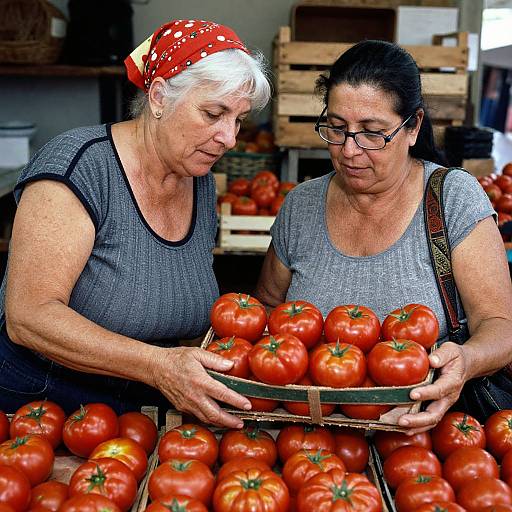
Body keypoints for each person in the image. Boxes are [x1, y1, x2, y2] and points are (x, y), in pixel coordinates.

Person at [0, 19, 271, 428]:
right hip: (43, 408)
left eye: (238, 120)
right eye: (213, 113)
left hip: (142, 413)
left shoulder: (198, 182)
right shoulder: (80, 167)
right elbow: (28, 316)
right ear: (159, 96)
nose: (229, 138)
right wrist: (158, 365)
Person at [255, 40, 512, 434]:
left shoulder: (452, 198)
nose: (350, 150)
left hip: (425, 437)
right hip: (309, 441)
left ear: (413, 127)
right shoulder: (301, 206)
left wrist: (466, 360)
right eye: (337, 128)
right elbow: (268, 309)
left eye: (372, 133)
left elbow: (500, 325)